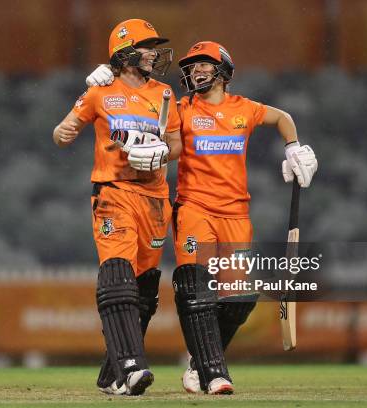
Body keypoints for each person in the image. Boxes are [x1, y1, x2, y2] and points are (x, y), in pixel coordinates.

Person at [85, 40, 318, 395]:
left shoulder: (245, 109)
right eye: (192, 66)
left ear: (223, 70)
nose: (196, 70)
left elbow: (282, 118)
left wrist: (293, 147)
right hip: (193, 208)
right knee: (196, 292)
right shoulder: (180, 108)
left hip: (237, 212)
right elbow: (139, 110)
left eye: (204, 64)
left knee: (240, 298)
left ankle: (196, 363)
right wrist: (107, 80)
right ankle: (213, 374)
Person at [53, 18, 182, 396]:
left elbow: (175, 145)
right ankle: (131, 365)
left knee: (145, 290)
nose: (154, 54)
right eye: (147, 47)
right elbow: (62, 133)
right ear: (125, 53)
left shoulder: (164, 94)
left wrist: (162, 153)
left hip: (156, 199)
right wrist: (64, 129)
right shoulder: (99, 92)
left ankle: (111, 375)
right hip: (113, 192)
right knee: (117, 274)